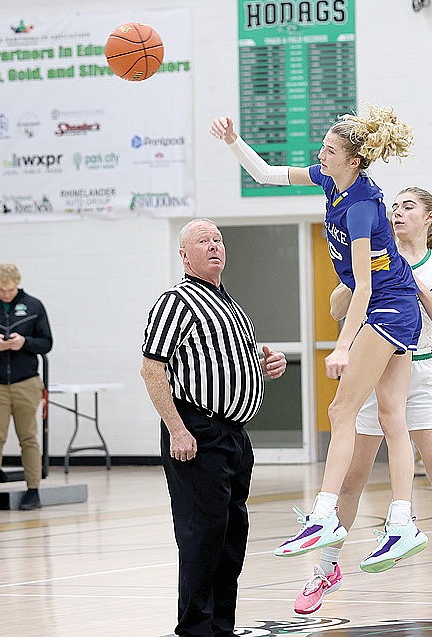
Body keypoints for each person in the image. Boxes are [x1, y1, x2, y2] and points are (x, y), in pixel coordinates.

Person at [211, 105, 425, 563]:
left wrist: (343, 346)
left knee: (340, 408)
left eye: (328, 150)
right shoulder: (332, 180)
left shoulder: (363, 207)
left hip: (388, 306)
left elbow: (363, 287)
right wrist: (233, 141)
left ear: (352, 160)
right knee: (390, 416)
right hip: (394, 304)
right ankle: (403, 523)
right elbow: (267, 174)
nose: (320, 154)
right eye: (322, 148)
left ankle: (324, 513)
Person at [295, 187, 432, 614]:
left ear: (429, 216)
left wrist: (416, 289)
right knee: (352, 477)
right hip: (372, 366)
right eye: (393, 207)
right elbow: (336, 307)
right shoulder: (377, 249)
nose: (397, 213)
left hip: (418, 372)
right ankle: (325, 569)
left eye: (407, 207)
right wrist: (360, 280)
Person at [140, 218, 287, 637]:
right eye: (202, 241)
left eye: (218, 239)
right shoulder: (177, 301)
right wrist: (177, 429)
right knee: (201, 536)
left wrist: (265, 365)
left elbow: (224, 363)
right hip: (197, 433)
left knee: (230, 537)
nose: (214, 246)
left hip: (234, 436)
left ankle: (221, 626)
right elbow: (152, 369)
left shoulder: (230, 304)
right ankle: (195, 629)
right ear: (184, 255)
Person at [0, 264, 53, 512]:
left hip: (26, 381)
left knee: (28, 437)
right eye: (1, 289)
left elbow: (46, 342)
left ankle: (33, 490)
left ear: (18, 283)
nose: (6, 293)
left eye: (10, 289)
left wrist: (24, 342)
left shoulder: (34, 306)